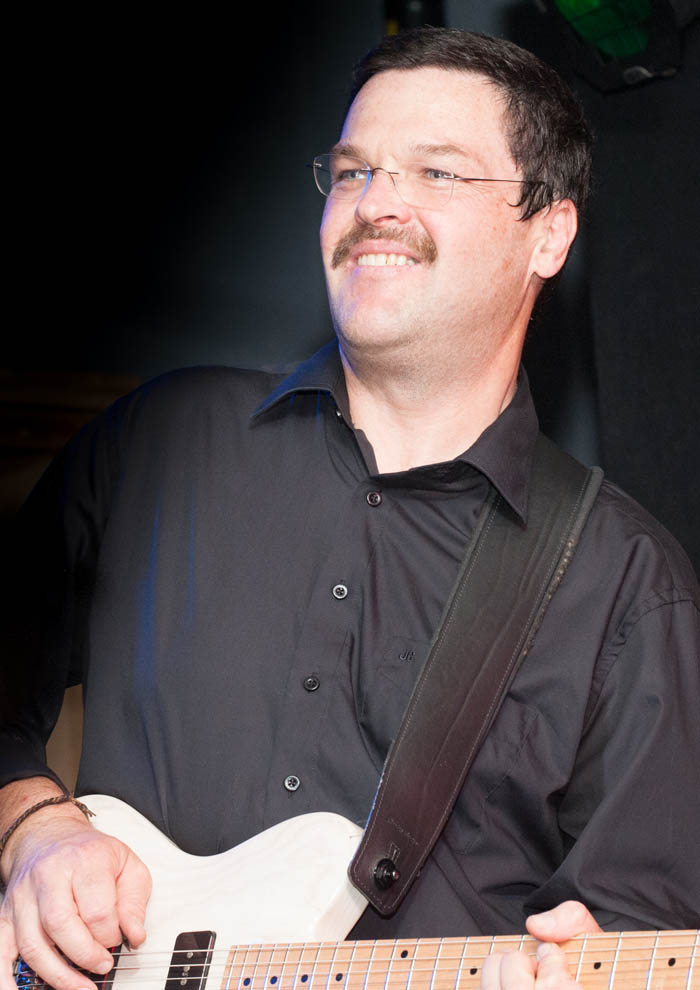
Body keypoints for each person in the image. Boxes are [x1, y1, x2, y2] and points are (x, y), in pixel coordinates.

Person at [1, 26, 698, 990]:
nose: (375, 205)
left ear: (549, 233)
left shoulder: (626, 585)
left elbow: (639, 932)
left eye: (437, 173)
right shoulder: (161, 441)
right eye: (354, 170)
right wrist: (31, 826)